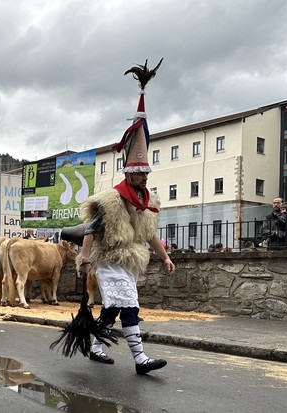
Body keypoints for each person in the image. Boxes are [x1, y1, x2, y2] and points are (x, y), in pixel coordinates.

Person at [78, 59, 175, 375]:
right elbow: (91, 229)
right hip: (109, 262)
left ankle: (94, 345)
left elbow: (149, 235)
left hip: (130, 263)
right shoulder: (110, 200)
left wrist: (165, 258)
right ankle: (140, 358)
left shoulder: (147, 201)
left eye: (147, 173)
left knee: (114, 307)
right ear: (129, 173)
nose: (145, 178)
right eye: (140, 174)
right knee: (130, 305)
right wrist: (85, 259)